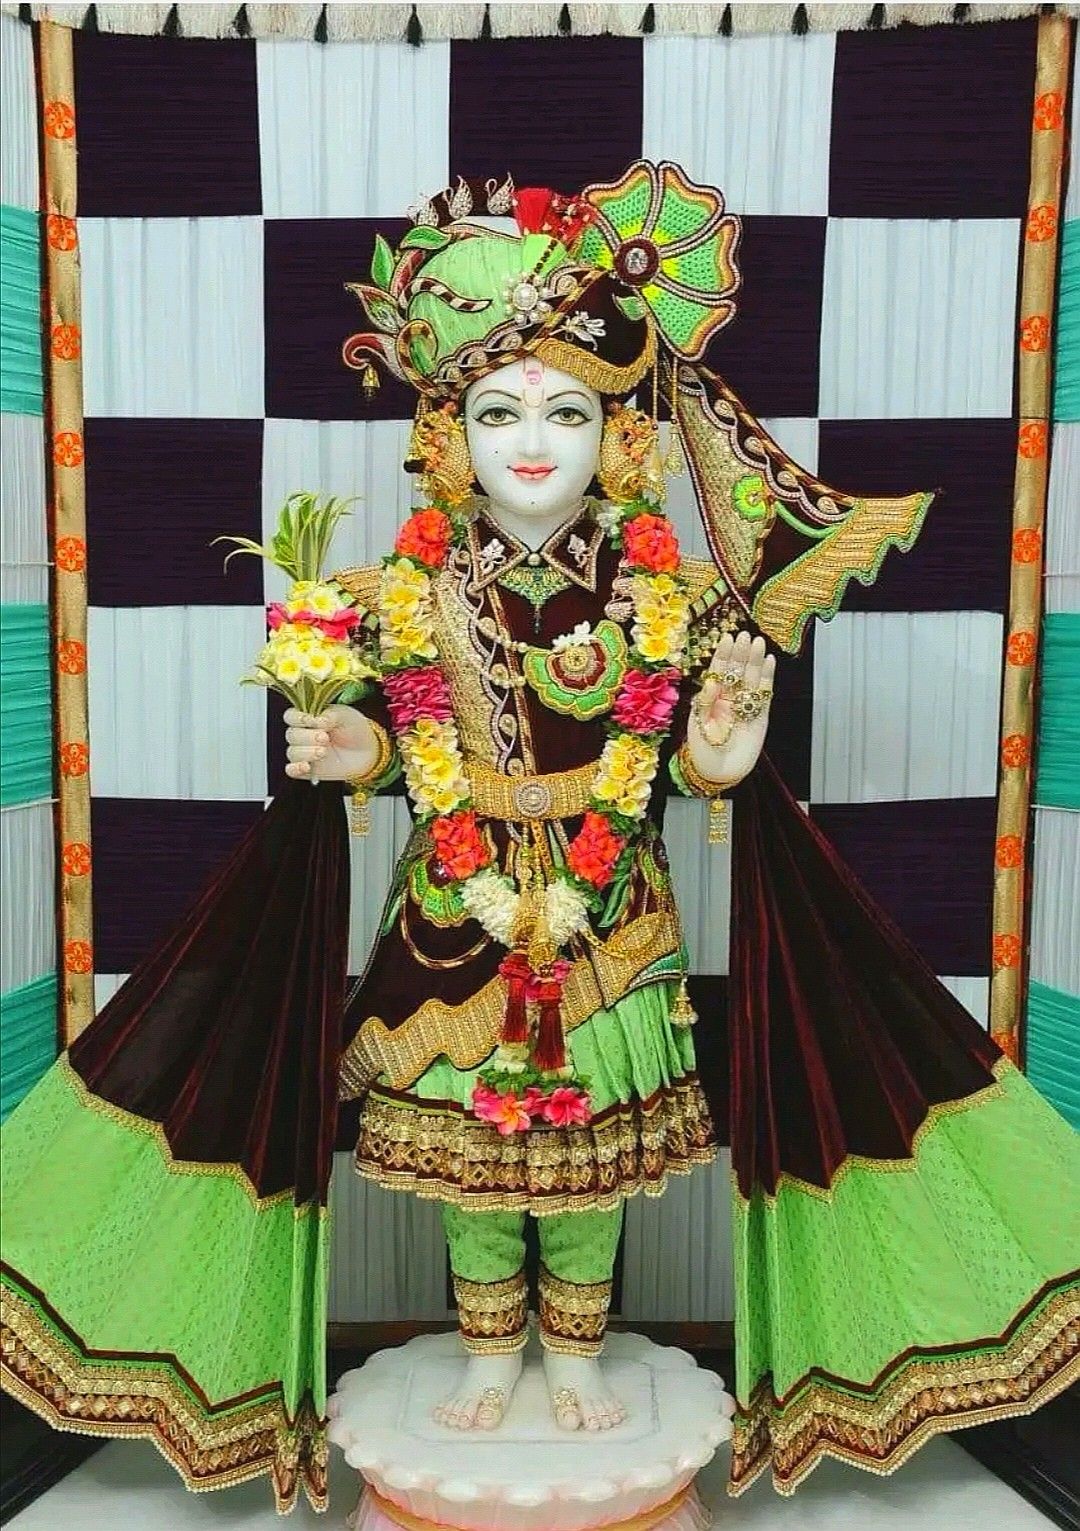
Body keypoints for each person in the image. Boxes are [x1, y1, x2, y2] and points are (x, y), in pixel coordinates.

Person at [2, 161, 1076, 1515]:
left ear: (622, 440)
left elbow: (676, 762)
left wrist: (720, 758)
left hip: (611, 915)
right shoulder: (398, 589)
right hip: (452, 923)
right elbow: (410, 742)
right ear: (447, 431)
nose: (532, 441)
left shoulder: (660, 593)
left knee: (586, 1165)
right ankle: (490, 1346)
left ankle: (574, 1351)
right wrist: (355, 754)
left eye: (569, 412)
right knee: (472, 1169)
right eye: (499, 410)